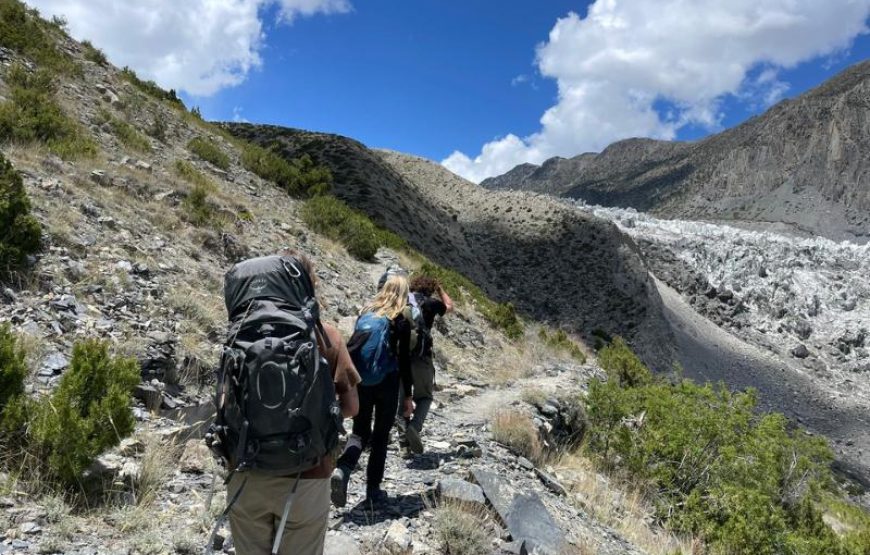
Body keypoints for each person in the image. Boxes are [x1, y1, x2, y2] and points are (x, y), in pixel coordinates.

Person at [226, 250, 360, 555]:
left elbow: (225, 404)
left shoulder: (239, 337)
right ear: (306, 287)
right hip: (308, 477)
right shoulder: (326, 337)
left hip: (247, 474)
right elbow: (352, 408)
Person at [331, 273, 413, 506]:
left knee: (359, 432)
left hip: (361, 382)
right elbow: (405, 362)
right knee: (380, 437)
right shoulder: (401, 320)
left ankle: (344, 468)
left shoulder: (366, 313)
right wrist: (408, 396)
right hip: (387, 383)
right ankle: (373, 491)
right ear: (403, 293)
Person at [400, 275, 453, 454]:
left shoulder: (402, 300)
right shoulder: (431, 303)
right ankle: (415, 427)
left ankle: (404, 446)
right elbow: (449, 307)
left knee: (403, 400)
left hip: (400, 358)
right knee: (424, 397)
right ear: (429, 289)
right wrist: (441, 290)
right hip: (422, 357)